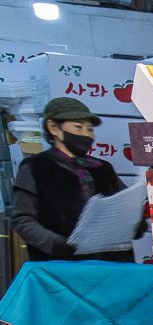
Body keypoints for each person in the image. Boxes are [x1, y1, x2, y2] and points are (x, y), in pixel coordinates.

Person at [10, 98, 138, 263]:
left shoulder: (103, 168)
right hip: (61, 266)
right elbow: (22, 219)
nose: (86, 134)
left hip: (110, 266)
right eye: (78, 127)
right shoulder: (35, 167)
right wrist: (55, 244)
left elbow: (125, 205)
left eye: (90, 129)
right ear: (53, 128)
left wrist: (135, 220)